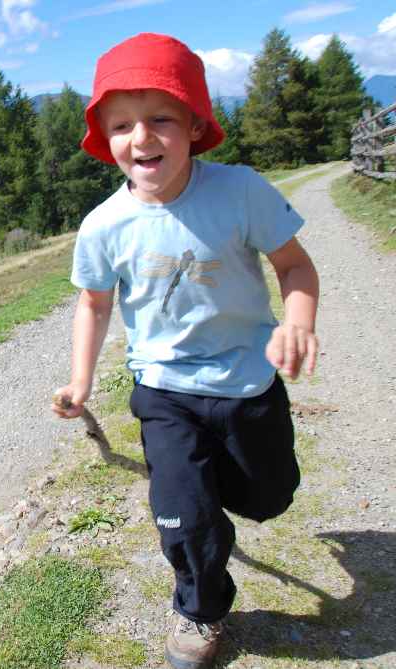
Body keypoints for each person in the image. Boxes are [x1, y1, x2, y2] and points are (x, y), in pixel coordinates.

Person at [50, 33, 320, 669]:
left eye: (160, 118)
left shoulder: (240, 191)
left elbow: (295, 266)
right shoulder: (102, 226)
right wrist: (80, 382)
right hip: (165, 392)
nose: (140, 138)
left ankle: (219, 500)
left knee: (266, 498)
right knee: (184, 515)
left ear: (195, 125)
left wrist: (299, 322)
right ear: (105, 138)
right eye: (121, 125)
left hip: (248, 383)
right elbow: (93, 304)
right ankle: (201, 608)